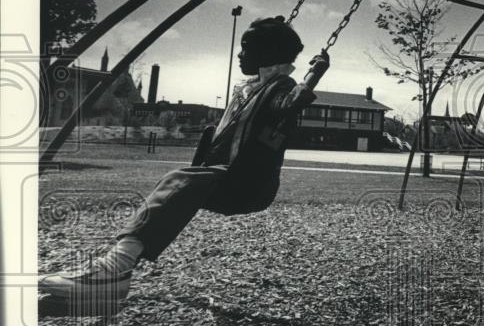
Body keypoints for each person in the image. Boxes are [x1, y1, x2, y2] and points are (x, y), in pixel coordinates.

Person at [39, 16, 327, 309]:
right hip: (223, 177)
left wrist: (313, 75)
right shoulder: (249, 88)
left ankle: (113, 270)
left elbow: (291, 102)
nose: (240, 54)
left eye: (246, 47)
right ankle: (115, 271)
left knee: (179, 180)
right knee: (178, 183)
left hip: (248, 184)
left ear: (269, 52)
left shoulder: (281, 86)